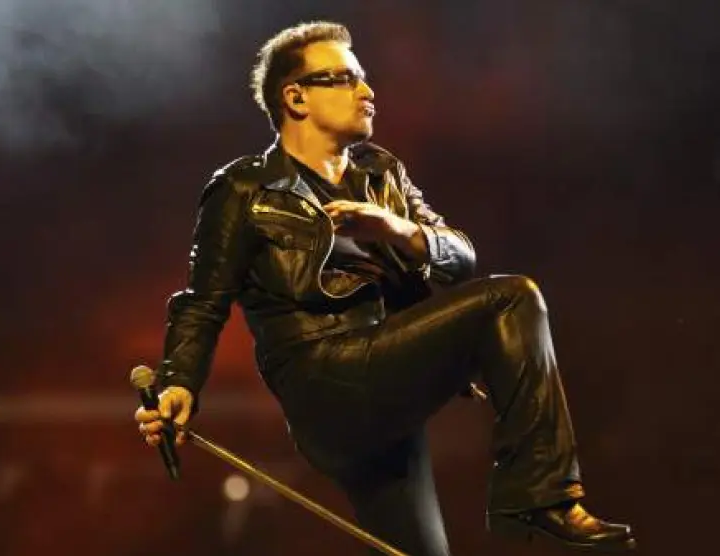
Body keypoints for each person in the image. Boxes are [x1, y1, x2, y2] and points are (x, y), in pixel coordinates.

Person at [133, 20, 636, 555]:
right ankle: (540, 498)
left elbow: (460, 258)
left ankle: (530, 501)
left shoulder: (382, 174)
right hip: (325, 381)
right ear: (296, 97)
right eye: (345, 78)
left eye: (364, 78)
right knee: (513, 298)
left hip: (386, 382)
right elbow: (202, 302)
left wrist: (395, 228)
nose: (367, 91)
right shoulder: (244, 188)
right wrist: (177, 384)